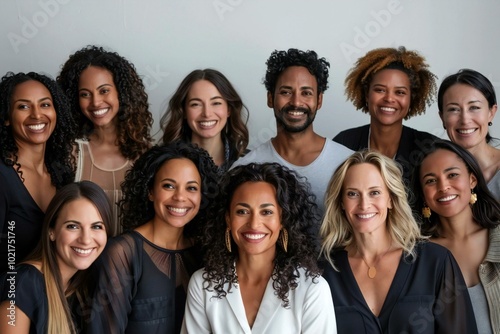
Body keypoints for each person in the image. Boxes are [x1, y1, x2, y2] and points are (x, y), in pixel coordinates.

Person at [320, 150, 477, 333]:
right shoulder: (324, 272)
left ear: (391, 199)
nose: (364, 205)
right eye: (353, 194)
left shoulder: (435, 262)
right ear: (341, 202)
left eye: (375, 192)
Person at [182, 162, 336, 333]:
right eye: (242, 211)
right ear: (228, 219)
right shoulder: (203, 284)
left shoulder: (312, 289)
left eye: (267, 212)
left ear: (283, 219)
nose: (254, 224)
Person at [87, 142, 218, 334]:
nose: (180, 197)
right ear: (150, 191)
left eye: (191, 188)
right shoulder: (123, 252)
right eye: (169, 186)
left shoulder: (206, 252)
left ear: (201, 196)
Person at [232, 48, 352, 217]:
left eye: (306, 93)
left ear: (319, 100)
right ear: (270, 98)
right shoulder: (246, 168)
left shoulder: (348, 164)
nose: (296, 102)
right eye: (286, 92)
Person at [57, 45, 154, 235]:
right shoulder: (70, 153)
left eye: (104, 91)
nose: (95, 102)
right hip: (82, 261)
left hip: (132, 262)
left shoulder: (149, 155)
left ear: (121, 92)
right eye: (85, 94)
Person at [0, 181, 111, 334]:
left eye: (96, 226)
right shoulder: (22, 283)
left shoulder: (83, 287)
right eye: (73, 226)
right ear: (51, 231)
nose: (86, 239)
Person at [412, 139, 500, 334]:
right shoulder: (416, 257)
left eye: (452, 175)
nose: (443, 187)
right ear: (423, 194)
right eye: (431, 180)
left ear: (472, 180)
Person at [0, 71, 76, 274]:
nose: (36, 114)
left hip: (53, 295)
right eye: (23, 106)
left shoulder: (61, 172)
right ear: (6, 118)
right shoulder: (3, 176)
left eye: (45, 104)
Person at [334, 46, 438, 186]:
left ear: (411, 99)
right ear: (366, 95)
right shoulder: (343, 144)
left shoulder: (428, 147)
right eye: (380, 90)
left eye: (400, 92)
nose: (389, 99)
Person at [161, 68, 249, 175]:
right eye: (196, 104)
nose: (207, 114)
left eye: (216, 103)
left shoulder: (248, 162)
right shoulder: (163, 162)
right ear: (183, 111)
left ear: (229, 110)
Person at [437, 69, 500, 199]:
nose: (465, 120)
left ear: (491, 112)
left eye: (474, 108)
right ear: (442, 117)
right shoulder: (435, 174)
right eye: (453, 109)